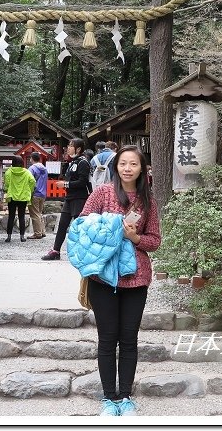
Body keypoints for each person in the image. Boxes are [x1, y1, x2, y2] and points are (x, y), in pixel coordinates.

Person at [78, 145, 161, 416]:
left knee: (128, 339)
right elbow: (81, 226)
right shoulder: (102, 193)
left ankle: (125, 396)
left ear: (142, 169)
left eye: (133, 164)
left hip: (136, 279)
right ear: (116, 167)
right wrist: (110, 227)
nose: (127, 168)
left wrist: (135, 238)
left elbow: (155, 242)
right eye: (123, 163)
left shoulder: (148, 201)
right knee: (107, 338)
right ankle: (108, 398)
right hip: (103, 277)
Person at [41, 138, 90, 260]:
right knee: (62, 225)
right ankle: (56, 251)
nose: (68, 148)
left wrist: (65, 184)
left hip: (80, 198)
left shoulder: (83, 162)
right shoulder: (72, 162)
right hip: (69, 198)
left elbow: (83, 182)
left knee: (80, 227)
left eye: (71, 145)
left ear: (78, 149)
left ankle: (83, 252)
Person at [3, 154, 35, 243]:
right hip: (23, 197)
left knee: (11, 216)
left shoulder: (9, 171)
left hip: (12, 196)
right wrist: (29, 190)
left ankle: (9, 236)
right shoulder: (27, 172)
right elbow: (33, 181)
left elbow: (6, 184)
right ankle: (22, 237)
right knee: (21, 216)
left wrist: (7, 189)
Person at [27, 152, 48, 239]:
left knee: (34, 214)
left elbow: (29, 180)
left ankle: (37, 233)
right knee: (39, 213)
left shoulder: (32, 168)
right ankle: (42, 231)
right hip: (43, 193)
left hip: (35, 193)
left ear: (32, 158)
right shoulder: (44, 168)